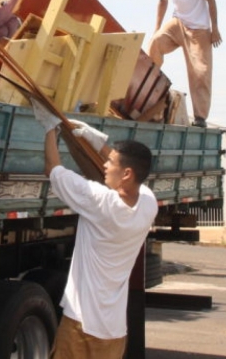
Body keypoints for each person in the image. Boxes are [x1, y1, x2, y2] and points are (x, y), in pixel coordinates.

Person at [33, 104, 158, 358]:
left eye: (109, 163)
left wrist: (49, 129)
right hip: (113, 331)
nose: (104, 165)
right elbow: (125, 170)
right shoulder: (148, 203)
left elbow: (53, 169)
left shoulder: (100, 202)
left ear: (126, 173)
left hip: (81, 324)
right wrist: (99, 142)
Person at [147, 0, 221, 128]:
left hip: (199, 29)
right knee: (155, 42)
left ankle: (200, 117)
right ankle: (149, 90)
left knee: (200, 72)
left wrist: (215, 29)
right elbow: (162, 1)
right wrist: (156, 28)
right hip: (178, 23)